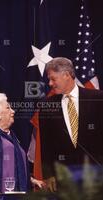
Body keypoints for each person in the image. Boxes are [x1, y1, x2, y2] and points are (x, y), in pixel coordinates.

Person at [39, 57, 103, 191]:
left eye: (53, 78)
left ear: (67, 75)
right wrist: (49, 174)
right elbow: (46, 144)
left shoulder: (98, 98)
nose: (50, 83)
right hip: (63, 179)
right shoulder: (47, 106)